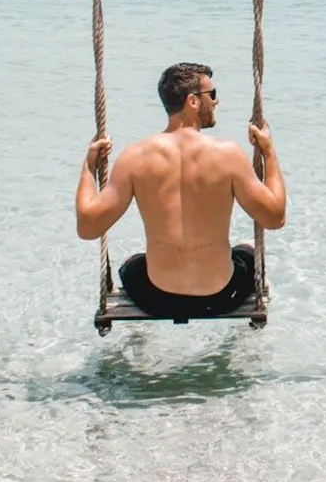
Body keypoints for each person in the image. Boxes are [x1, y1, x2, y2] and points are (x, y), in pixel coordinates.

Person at [75, 61, 287, 318]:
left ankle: (139, 343)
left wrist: (89, 166)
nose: (216, 102)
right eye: (212, 94)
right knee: (249, 249)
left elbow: (88, 228)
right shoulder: (228, 155)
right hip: (221, 297)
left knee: (132, 264)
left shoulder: (135, 157)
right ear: (192, 101)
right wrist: (269, 152)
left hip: (156, 298)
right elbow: (275, 218)